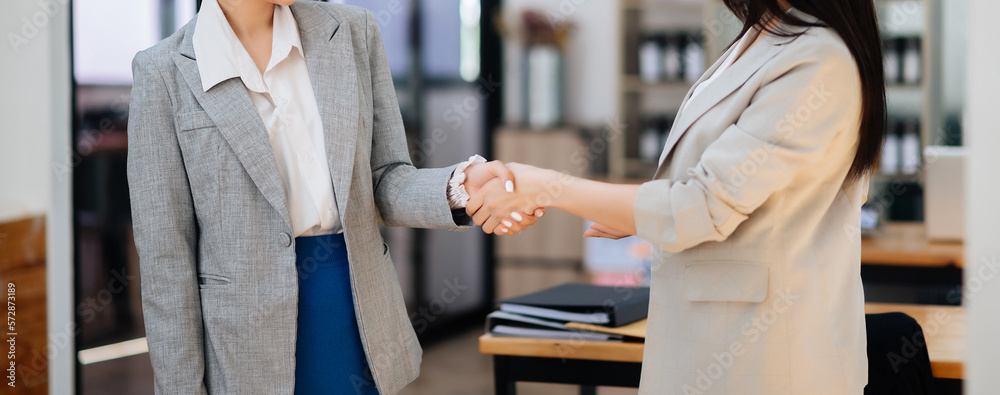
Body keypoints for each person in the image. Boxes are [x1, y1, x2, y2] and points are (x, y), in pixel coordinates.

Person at [468, 0, 885, 393]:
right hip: (712, 336)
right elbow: (716, 187)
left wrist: (546, 185)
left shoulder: (819, 59)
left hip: (769, 356)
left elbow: (702, 207)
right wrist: (636, 213)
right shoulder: (762, 36)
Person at [126, 1, 540, 393]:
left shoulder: (353, 33)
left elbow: (385, 179)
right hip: (241, 339)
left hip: (352, 305)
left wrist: (459, 185)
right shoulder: (162, 72)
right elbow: (166, 259)